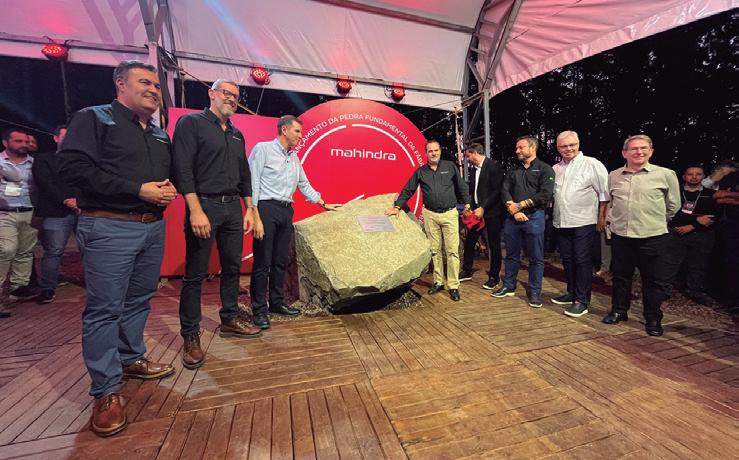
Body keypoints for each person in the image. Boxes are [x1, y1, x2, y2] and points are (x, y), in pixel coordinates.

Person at [58, 60, 177, 437]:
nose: (154, 90)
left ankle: (131, 359)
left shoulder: (159, 135)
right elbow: (72, 169)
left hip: (152, 227)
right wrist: (137, 190)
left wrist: (167, 190)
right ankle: (106, 391)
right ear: (120, 84)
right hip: (109, 225)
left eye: (157, 85)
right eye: (145, 82)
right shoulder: (93, 119)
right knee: (105, 309)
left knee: (139, 300)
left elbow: (158, 180)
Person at [173, 79, 261, 370]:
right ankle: (190, 335)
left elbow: (244, 175)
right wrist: (195, 210)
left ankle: (229, 319)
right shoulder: (191, 123)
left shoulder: (236, 134)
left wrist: (249, 210)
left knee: (233, 267)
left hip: (233, 208)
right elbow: (182, 169)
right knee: (195, 274)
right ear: (211, 94)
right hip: (204, 205)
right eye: (226, 93)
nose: (232, 99)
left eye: (236, 95)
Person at [249, 115, 339, 329]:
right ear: (284, 130)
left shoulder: (294, 158)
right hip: (266, 209)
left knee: (280, 261)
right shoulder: (263, 149)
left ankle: (276, 303)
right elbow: (252, 182)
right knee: (262, 262)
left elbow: (304, 184)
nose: (301, 136)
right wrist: (254, 213)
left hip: (286, 211)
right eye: (297, 131)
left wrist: (323, 203)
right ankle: (259, 310)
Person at [602, 134, 680, 336]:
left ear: (651, 151)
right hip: (621, 235)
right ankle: (619, 311)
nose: (639, 152)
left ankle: (653, 317)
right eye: (634, 148)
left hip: (652, 235)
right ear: (624, 153)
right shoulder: (614, 175)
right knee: (620, 276)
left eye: (643, 148)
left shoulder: (665, 174)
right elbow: (611, 202)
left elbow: (673, 205)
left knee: (653, 279)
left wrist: (653, 220)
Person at [386, 140, 471, 301]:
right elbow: (408, 189)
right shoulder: (421, 172)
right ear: (426, 153)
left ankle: (453, 285)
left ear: (440, 151)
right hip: (430, 215)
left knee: (452, 251)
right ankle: (438, 282)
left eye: (436, 150)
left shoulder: (450, 166)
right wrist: (397, 207)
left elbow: (461, 186)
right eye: (430, 151)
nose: (434, 153)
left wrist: (467, 204)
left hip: (449, 214)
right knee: (435, 250)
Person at [551, 131, 609, 317]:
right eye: (564, 146)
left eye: (572, 144)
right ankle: (572, 293)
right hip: (561, 221)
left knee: (582, 260)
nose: (568, 149)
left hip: (584, 221)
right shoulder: (556, 168)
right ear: (558, 148)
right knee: (567, 259)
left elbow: (604, 194)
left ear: (578, 144)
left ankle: (582, 301)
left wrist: (602, 218)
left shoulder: (592, 164)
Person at [492, 135, 555, 308]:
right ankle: (509, 286)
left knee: (535, 257)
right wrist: (513, 209)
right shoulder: (513, 169)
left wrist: (519, 206)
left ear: (532, 148)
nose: (517, 151)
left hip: (535, 217)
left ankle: (534, 292)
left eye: (521, 147)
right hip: (513, 218)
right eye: (517, 148)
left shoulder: (545, 169)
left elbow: (545, 194)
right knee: (511, 255)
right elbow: (504, 190)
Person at [31, 125, 79, 304]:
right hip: (56, 211)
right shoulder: (44, 159)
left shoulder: (82, 160)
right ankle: (48, 288)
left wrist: (81, 202)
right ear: (56, 138)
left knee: (90, 250)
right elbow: (45, 183)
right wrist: (66, 200)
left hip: (83, 211)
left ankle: (96, 286)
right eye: (65, 136)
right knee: (54, 250)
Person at [665, 165, 718, 305]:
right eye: (690, 174)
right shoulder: (675, 192)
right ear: (684, 176)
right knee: (670, 263)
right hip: (676, 231)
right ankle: (664, 290)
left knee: (698, 265)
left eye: (698, 174)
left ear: (703, 176)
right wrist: (697, 220)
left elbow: (714, 217)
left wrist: (692, 226)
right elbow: (671, 213)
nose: (694, 177)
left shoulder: (711, 194)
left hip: (702, 234)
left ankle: (694, 291)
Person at [0, 128, 37, 308]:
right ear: (5, 142)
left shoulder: (35, 163)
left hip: (29, 211)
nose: (24, 144)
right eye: (18, 141)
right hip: (4, 212)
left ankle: (18, 288)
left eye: (25, 141)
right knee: (6, 249)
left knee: (25, 251)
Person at [459, 142, 504, 290]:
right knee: (470, 241)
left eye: (468, 156)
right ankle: (467, 270)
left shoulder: (494, 166)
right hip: (476, 213)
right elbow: (473, 191)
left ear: (475, 153)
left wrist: (484, 208)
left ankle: (494, 276)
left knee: (493, 244)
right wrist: (469, 207)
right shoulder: (473, 170)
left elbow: (497, 191)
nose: (467, 159)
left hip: (492, 213)